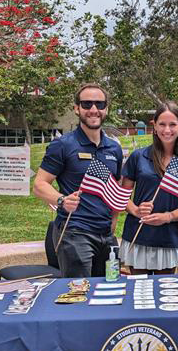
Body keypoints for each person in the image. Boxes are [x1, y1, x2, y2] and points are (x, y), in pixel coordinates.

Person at [33, 83, 124, 277]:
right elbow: (39, 185)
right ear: (77, 108)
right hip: (75, 233)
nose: (93, 110)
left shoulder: (114, 149)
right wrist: (62, 200)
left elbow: (115, 190)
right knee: (78, 295)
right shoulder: (63, 145)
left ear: (106, 109)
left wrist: (113, 222)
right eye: (87, 104)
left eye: (99, 104)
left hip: (106, 235)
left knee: (111, 289)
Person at [119, 102, 178, 274]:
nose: (167, 130)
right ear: (154, 126)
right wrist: (135, 210)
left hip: (168, 237)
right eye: (162, 124)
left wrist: (168, 216)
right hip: (138, 234)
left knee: (164, 294)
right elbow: (122, 195)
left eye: (172, 124)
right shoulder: (138, 156)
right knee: (138, 292)